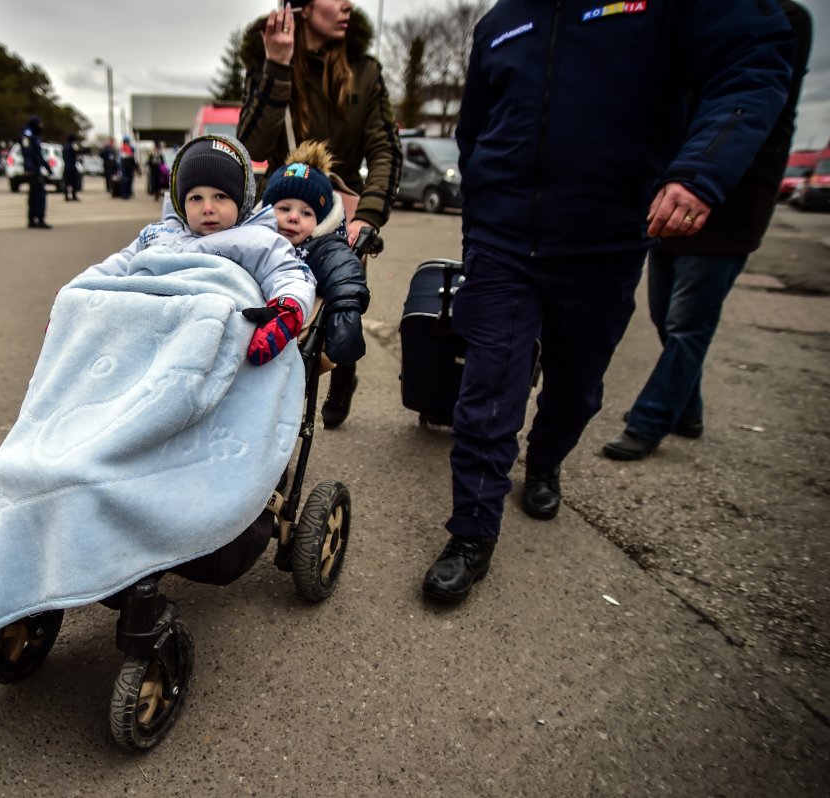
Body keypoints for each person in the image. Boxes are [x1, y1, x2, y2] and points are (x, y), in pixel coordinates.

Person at [420, 0, 795, 604]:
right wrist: (481, 220)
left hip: (604, 241)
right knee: (488, 390)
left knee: (577, 387)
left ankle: (544, 463)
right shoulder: (499, 22)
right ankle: (471, 534)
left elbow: (755, 58)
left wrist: (699, 169)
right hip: (503, 242)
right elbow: (474, 130)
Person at [603, 0, 813, 462]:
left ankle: (650, 419)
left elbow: (755, 104)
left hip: (728, 204)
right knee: (663, 314)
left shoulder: (782, 19)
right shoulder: (690, 16)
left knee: (687, 324)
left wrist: (709, 179)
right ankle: (687, 410)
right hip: (669, 197)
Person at [238, 0, 401, 429]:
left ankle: (343, 371)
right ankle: (276, 423)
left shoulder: (365, 70)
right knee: (280, 314)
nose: (348, 4)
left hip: (340, 216)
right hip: (282, 211)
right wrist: (276, 67)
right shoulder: (266, 60)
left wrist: (368, 214)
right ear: (303, 7)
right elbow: (251, 147)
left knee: (340, 305)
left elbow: (384, 149)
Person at [80, 133, 315, 369]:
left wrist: (289, 307)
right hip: (145, 333)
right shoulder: (158, 233)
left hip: (214, 340)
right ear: (181, 202)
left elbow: (289, 272)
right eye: (195, 198)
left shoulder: (258, 239)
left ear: (241, 199)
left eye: (221, 196)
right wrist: (76, 296)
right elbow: (117, 266)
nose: (208, 208)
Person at [260, 139, 369, 371]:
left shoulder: (322, 247)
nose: (293, 217)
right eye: (284, 208)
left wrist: (346, 310)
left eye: (306, 212)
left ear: (320, 221)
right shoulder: (253, 237)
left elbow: (343, 270)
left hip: (297, 328)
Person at [20, 114, 50, 229]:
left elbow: (38, 155)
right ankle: (38, 219)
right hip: (33, 171)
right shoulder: (27, 135)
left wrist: (47, 166)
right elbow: (27, 153)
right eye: (40, 123)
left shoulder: (35, 136)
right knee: (38, 195)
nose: (42, 126)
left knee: (35, 195)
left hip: (37, 169)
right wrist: (30, 169)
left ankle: (33, 219)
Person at [61, 133, 81, 202]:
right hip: (72, 167)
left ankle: (66, 196)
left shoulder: (65, 146)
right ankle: (74, 196)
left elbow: (63, 156)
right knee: (74, 182)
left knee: (66, 182)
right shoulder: (73, 145)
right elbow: (77, 152)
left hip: (66, 166)